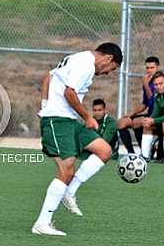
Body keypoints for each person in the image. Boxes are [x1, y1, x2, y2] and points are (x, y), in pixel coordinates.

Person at [33, 42, 123, 236]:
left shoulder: (78, 58)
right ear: (108, 58)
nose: (108, 73)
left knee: (104, 150)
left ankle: (69, 191)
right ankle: (42, 223)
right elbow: (69, 92)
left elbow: (48, 76)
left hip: (70, 120)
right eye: (111, 69)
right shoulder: (86, 64)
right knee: (67, 170)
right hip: (58, 120)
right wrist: (88, 117)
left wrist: (45, 104)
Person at [117, 56, 161, 154]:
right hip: (149, 114)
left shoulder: (162, 83)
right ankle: (131, 153)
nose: (149, 70)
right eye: (147, 68)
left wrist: (145, 84)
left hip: (159, 116)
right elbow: (146, 103)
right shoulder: (147, 81)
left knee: (138, 124)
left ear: (157, 67)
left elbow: (154, 101)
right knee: (121, 123)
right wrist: (132, 113)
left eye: (152, 68)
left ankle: (146, 151)